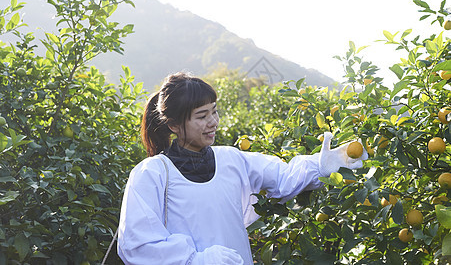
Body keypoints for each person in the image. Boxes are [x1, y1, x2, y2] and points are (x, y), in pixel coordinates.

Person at [117, 72, 367, 265]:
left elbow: (282, 177)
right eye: (202, 116)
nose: (213, 122)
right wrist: (197, 260)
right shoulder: (152, 174)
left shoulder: (231, 160)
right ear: (173, 125)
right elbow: (137, 245)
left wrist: (322, 165)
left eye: (214, 112)